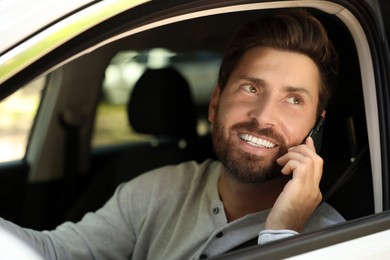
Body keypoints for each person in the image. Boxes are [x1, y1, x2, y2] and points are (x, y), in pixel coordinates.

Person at [0, 8, 344, 259]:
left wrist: (284, 235)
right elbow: (53, 253)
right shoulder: (158, 190)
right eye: (251, 89)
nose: (264, 116)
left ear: (317, 125)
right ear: (214, 103)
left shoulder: (342, 240)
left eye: (294, 99)